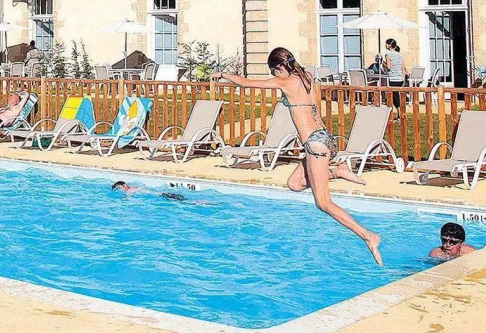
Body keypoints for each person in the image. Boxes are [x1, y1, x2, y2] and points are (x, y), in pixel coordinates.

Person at [215, 47, 383, 266]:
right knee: (295, 183)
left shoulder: (286, 82)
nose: (274, 75)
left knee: (323, 203)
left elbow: (246, 83)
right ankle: (338, 171)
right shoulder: (308, 77)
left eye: (273, 71)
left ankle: (368, 236)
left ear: (279, 67)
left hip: (315, 145)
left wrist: (224, 74)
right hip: (325, 139)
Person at [111, 180, 185, 201]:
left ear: (124, 185)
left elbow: (129, 198)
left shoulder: (129, 191)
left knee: (183, 201)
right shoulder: (134, 187)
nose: (121, 190)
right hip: (161, 193)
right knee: (182, 200)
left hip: (161, 196)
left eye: (120, 188)